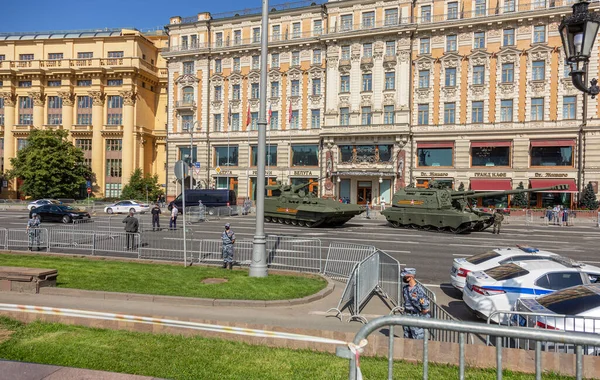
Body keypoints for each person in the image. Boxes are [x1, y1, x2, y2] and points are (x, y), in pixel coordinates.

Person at [401, 268, 430, 339]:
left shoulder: (419, 290)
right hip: (406, 316)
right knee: (407, 338)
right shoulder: (405, 289)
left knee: (417, 340)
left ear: (410, 277)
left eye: (405, 276)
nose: (404, 278)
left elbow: (426, 309)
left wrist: (419, 315)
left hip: (415, 317)